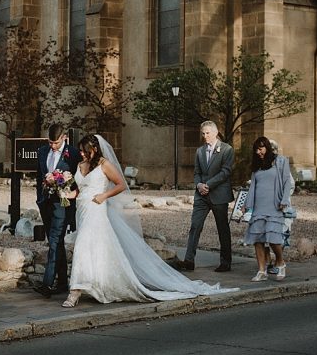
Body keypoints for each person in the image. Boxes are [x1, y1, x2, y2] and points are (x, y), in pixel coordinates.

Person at [60, 134, 233, 307]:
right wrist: (68, 194)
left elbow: (121, 185)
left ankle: (74, 292)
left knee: (82, 246)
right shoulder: (80, 165)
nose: (82, 154)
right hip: (82, 211)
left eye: (85, 151)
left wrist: (104, 195)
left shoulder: (104, 165)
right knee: (95, 249)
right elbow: (81, 190)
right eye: (81, 151)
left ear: (95, 149)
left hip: (97, 211)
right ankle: (98, 285)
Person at [32, 124, 80, 298]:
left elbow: (79, 179)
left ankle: (47, 283)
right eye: (50, 142)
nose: (52, 146)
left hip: (63, 204)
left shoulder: (73, 154)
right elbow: (39, 176)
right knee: (57, 242)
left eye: (56, 142)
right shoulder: (42, 151)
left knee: (54, 241)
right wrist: (40, 197)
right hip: (45, 202)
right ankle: (62, 284)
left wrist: (69, 192)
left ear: (64, 137)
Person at [181, 121, 234, 272]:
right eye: (203, 133)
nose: (205, 136)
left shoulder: (227, 150)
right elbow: (197, 172)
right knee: (195, 226)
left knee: (222, 228)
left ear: (216, 133)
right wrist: (199, 185)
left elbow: (225, 172)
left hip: (219, 195)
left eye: (208, 133)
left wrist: (208, 185)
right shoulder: (199, 151)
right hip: (201, 196)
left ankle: (225, 262)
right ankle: (189, 260)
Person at [241, 137, 293, 281]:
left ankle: (281, 262)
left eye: (261, 148)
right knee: (258, 239)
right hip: (259, 206)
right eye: (256, 149)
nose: (259, 152)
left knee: (274, 239)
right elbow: (253, 187)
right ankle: (261, 271)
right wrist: (246, 204)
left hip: (274, 206)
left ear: (267, 147)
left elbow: (287, 182)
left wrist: (284, 200)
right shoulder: (257, 166)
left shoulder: (280, 161)